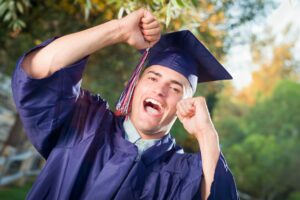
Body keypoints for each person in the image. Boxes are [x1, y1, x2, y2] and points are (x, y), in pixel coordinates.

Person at [12, 8, 239, 200]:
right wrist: (117, 30)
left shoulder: (183, 173)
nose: (160, 90)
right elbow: (37, 70)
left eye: (176, 87)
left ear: (185, 104)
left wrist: (208, 135)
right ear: (134, 85)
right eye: (153, 77)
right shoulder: (86, 121)